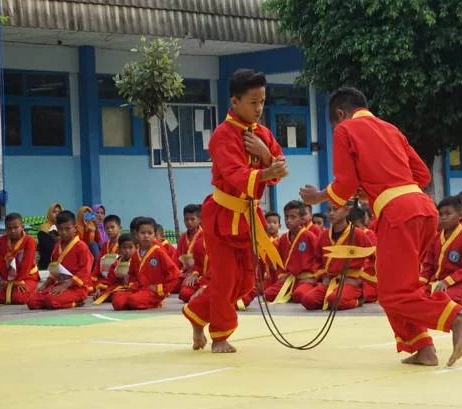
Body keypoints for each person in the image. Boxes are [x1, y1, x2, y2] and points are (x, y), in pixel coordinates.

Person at [300, 87, 462, 367]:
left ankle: (456, 319)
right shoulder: (391, 128)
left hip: (398, 215)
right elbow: (421, 174)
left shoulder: (345, 130)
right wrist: (375, 188)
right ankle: (422, 348)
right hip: (423, 208)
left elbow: (344, 184)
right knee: (397, 287)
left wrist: (318, 197)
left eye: (335, 122)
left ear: (340, 114)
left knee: (394, 293)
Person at [181, 68, 287, 353]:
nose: (259, 108)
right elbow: (235, 175)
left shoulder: (262, 133)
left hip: (251, 217)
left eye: (262, 101)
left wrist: (265, 155)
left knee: (245, 282)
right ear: (235, 101)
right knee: (225, 279)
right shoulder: (222, 136)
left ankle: (196, 313)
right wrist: (268, 168)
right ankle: (219, 336)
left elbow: (279, 167)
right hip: (223, 215)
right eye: (253, 102)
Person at [301, 201, 372, 311]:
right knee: (307, 300)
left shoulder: (358, 234)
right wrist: (323, 276)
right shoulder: (324, 235)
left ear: (346, 211)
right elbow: (317, 260)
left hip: (351, 282)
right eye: (328, 210)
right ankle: (333, 298)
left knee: (334, 300)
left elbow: (373, 257)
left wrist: (359, 279)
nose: (331, 213)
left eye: (335, 209)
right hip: (330, 280)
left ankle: (359, 300)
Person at [27, 211, 92, 310]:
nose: (64, 232)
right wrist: (45, 284)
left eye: (67, 229)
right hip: (59, 284)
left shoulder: (81, 247)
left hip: (76, 287)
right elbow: (55, 270)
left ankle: (76, 302)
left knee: (51, 300)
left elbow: (85, 271)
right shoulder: (57, 246)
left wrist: (67, 284)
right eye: (61, 229)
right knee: (32, 301)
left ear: (75, 228)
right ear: (57, 228)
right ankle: (59, 300)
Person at [111, 217, 180, 310]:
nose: (146, 236)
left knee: (134, 300)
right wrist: (132, 284)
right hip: (139, 289)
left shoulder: (159, 252)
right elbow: (132, 274)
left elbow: (175, 273)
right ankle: (136, 301)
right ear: (136, 234)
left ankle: (155, 302)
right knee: (117, 301)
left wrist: (161, 288)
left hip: (153, 291)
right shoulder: (136, 253)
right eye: (143, 233)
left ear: (154, 235)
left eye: (150, 233)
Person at [421, 196, 462, 308]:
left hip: (460, 284)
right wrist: (421, 282)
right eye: (440, 214)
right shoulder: (435, 238)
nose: (443, 218)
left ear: (460, 215)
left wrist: (446, 282)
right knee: (417, 295)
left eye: (448, 214)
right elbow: (428, 265)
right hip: (437, 283)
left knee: (441, 297)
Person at [263, 200, 320, 303]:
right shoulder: (283, 238)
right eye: (286, 217)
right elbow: (277, 260)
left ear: (302, 219)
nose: (288, 220)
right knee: (267, 295)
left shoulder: (309, 236)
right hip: (288, 279)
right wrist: (281, 275)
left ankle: (309, 289)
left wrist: (314, 277)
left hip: (305, 279)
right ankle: (291, 293)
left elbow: (320, 258)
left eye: (293, 217)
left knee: (299, 295)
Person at [0, 213, 39, 305]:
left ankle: (35, 291)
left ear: (22, 227)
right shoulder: (2, 240)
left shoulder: (29, 241)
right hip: (9, 278)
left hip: (27, 276)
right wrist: (4, 279)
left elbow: (27, 264)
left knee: (19, 298)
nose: (13, 231)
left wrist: (19, 280)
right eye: (9, 228)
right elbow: (1, 262)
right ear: (5, 229)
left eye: (16, 227)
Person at [94, 234, 136, 304]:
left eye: (130, 247)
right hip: (119, 287)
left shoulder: (137, 261)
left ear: (136, 248)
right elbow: (110, 280)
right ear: (119, 249)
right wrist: (100, 289)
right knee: (104, 294)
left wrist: (129, 280)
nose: (127, 251)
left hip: (133, 287)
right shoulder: (116, 262)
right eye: (124, 248)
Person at [93, 214, 122, 293]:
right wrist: (94, 276)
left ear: (120, 228)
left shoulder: (124, 243)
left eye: (112, 227)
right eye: (107, 228)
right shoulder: (105, 244)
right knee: (89, 284)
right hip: (105, 276)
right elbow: (99, 262)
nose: (109, 230)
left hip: (117, 277)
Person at [37, 203, 62, 270]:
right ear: (50, 214)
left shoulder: (64, 228)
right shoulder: (44, 229)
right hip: (47, 264)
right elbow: (48, 248)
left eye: (59, 212)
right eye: (54, 212)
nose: (57, 214)